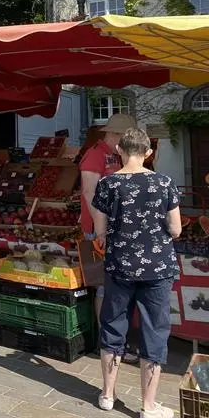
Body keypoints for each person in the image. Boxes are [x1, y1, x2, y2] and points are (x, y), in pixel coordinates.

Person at [91, 128, 181, 418]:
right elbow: (176, 230)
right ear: (149, 152)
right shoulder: (164, 182)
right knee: (154, 331)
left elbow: (100, 231)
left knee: (113, 325)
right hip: (157, 267)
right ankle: (149, 405)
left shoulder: (107, 184)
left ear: (119, 150)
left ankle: (107, 395)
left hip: (119, 265)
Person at [80, 112, 141, 361]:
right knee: (106, 287)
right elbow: (88, 191)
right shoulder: (95, 154)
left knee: (118, 286)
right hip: (101, 230)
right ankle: (109, 344)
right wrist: (100, 228)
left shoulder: (118, 155)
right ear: (116, 134)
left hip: (119, 230)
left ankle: (117, 340)